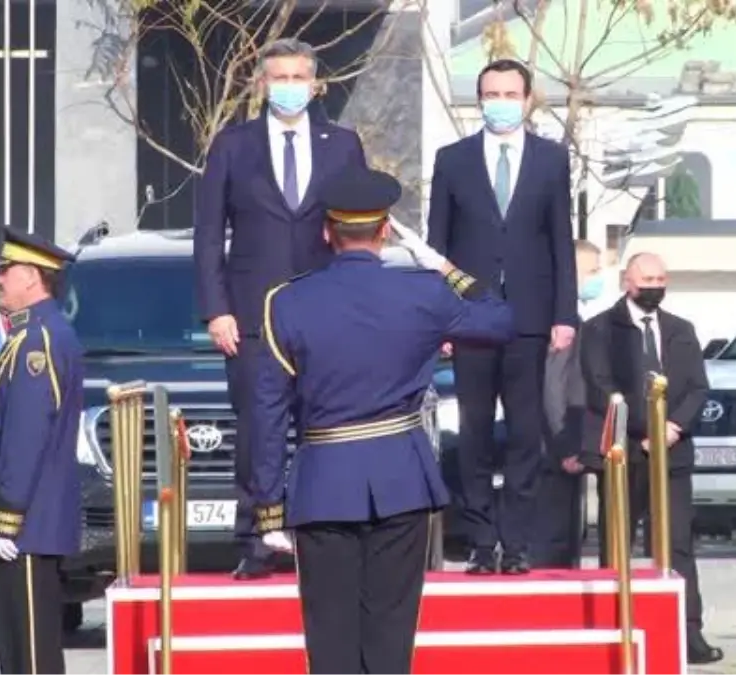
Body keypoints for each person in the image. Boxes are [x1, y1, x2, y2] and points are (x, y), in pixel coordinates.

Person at [248, 169, 515, 674]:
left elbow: (267, 413)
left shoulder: (286, 301)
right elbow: (500, 318)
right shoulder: (424, 293)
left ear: (327, 231)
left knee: (330, 638)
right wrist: (442, 266)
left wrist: (267, 507)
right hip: (401, 478)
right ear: (386, 229)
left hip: (323, 484)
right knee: (391, 635)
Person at [193, 37, 368, 580]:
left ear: (315, 84)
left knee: (324, 428)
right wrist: (216, 309)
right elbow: (207, 236)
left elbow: (357, 228)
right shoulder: (233, 145)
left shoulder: (341, 144)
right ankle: (256, 541)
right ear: (262, 84)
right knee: (259, 431)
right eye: (278, 79)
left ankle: (321, 537)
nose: (288, 87)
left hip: (324, 313)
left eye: (298, 78)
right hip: (251, 317)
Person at [426, 58, 579, 575]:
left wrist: (565, 314)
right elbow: (437, 247)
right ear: (479, 99)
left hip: (531, 318)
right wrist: (440, 318)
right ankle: (480, 542)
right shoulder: (453, 160)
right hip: (470, 317)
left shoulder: (552, 160)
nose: (500, 102)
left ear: (528, 98)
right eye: (491, 93)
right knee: (472, 432)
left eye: (510, 93)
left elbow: (561, 240)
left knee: (523, 433)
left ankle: (516, 544)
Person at [578, 252, 724, 665]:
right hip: (625, 455)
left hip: (672, 453)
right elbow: (600, 387)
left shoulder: (681, 330)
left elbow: (697, 387)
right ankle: (614, 626)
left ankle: (688, 633)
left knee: (678, 546)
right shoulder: (599, 329)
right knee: (617, 544)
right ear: (627, 281)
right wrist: (641, 432)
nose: (654, 286)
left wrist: (672, 427)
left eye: (661, 278)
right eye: (647, 279)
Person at [0, 226, 84, 675]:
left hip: (26, 526)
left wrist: (6, 518)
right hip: (28, 525)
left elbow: (25, 438)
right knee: (17, 648)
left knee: (29, 653)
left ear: (32, 276)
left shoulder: (38, 343)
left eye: (6, 270)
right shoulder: (32, 336)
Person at [537, 239, 604, 568]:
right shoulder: (562, 323)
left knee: (566, 536)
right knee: (554, 541)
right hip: (555, 447)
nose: (598, 277)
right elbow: (553, 385)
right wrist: (565, 445)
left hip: (560, 443)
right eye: (592, 270)